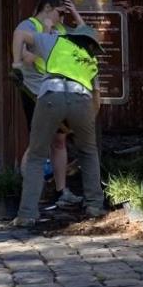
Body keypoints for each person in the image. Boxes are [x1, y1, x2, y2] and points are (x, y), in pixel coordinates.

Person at [13, 21, 108, 231]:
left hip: (50, 95)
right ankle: (94, 206)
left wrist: (16, 63)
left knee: (37, 155)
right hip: (82, 101)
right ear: (91, 44)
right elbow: (96, 99)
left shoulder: (56, 41)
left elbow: (20, 33)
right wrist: (84, 123)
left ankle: (27, 214)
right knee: (88, 152)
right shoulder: (91, 60)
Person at [12, 0, 82, 211]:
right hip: (35, 93)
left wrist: (76, 15)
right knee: (37, 144)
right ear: (48, 8)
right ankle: (31, 191)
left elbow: (84, 38)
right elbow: (25, 56)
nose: (63, 18)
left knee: (59, 141)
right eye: (61, 12)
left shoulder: (60, 29)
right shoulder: (28, 26)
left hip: (59, 92)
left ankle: (62, 191)